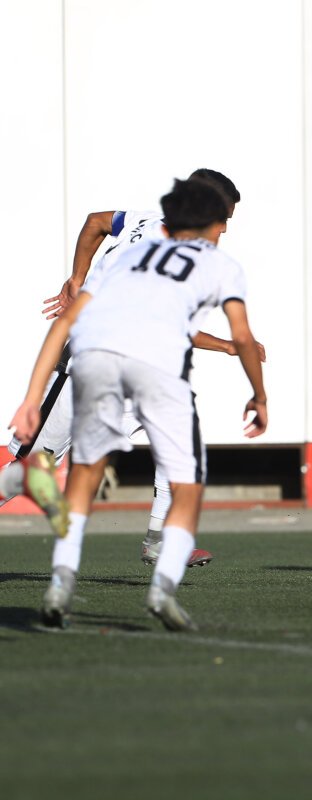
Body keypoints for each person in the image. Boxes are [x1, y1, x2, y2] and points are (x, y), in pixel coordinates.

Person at [9, 178, 268, 631]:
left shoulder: (134, 244)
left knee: (100, 474)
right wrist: (256, 390)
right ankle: (158, 580)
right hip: (134, 372)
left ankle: (110, 562)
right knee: (34, 468)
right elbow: (228, 333)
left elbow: (79, 294)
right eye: (223, 219)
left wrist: (76, 281)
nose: (225, 229)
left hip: (103, 366)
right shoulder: (214, 263)